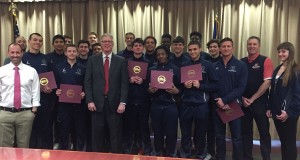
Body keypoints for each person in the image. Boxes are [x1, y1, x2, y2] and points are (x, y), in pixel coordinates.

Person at [85, 33, 129, 153]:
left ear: (113, 43)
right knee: (97, 136)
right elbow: (87, 82)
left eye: (109, 41)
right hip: (96, 104)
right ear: (101, 43)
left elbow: (124, 84)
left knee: (116, 135)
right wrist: (89, 100)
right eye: (104, 41)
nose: (107, 43)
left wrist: (123, 102)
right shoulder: (92, 60)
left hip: (115, 105)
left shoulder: (121, 61)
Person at [179, 41, 219, 159]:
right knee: (185, 132)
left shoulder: (208, 65)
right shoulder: (184, 64)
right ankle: (185, 153)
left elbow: (216, 86)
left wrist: (200, 86)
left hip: (201, 104)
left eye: (195, 49)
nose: (192, 52)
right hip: (186, 103)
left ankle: (200, 154)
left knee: (201, 132)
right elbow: (179, 85)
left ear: (200, 49)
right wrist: (184, 85)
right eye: (190, 50)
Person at [212, 37, 248, 160]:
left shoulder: (241, 65)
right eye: (223, 46)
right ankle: (220, 157)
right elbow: (212, 86)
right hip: (218, 105)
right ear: (220, 49)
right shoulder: (214, 66)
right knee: (219, 136)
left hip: (234, 105)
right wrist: (219, 101)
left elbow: (241, 88)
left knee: (237, 137)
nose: (226, 48)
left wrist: (225, 100)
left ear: (232, 48)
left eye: (228, 46)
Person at [0, 43, 40, 148]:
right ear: (8, 53)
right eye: (12, 52)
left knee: (24, 146)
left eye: (18, 52)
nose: (15, 55)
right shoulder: (1, 71)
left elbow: (35, 90)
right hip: (5, 113)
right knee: (5, 147)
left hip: (25, 113)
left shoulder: (31, 71)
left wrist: (34, 109)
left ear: (22, 53)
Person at [240, 36, 273, 160]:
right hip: (244, 103)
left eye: (254, 44)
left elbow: (267, 83)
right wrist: (243, 98)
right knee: (245, 133)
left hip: (261, 103)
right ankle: (247, 157)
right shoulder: (241, 62)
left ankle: (266, 158)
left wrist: (252, 99)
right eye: (249, 44)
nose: (252, 46)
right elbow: (237, 84)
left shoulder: (266, 60)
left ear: (259, 46)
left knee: (264, 133)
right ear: (247, 46)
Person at [266, 42, 300, 160]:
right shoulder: (278, 69)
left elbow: (297, 95)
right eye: (279, 52)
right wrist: (269, 107)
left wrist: (289, 113)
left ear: (290, 53)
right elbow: (273, 90)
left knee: (289, 143)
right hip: (277, 112)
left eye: (283, 51)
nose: (280, 54)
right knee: (283, 142)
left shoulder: (295, 70)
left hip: (288, 114)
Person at [147, 45, 180, 157]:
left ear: (167, 54)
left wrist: (176, 91)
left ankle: (171, 153)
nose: (160, 56)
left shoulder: (175, 69)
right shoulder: (152, 69)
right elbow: (146, 89)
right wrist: (150, 90)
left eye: (163, 54)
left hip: (171, 105)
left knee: (171, 132)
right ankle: (157, 152)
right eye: (158, 54)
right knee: (157, 131)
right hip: (156, 105)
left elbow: (182, 88)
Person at [22, 33, 53, 149]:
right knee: (29, 130)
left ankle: (45, 154)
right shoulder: (23, 58)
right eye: (35, 40)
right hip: (27, 101)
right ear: (29, 41)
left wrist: (50, 88)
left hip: (44, 100)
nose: (37, 42)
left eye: (40, 41)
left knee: (44, 129)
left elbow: (51, 79)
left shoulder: (46, 58)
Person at [123, 38, 152, 155]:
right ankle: (128, 149)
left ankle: (147, 149)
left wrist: (143, 82)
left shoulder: (149, 63)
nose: (138, 47)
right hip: (130, 99)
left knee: (144, 126)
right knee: (129, 126)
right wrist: (129, 80)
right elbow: (121, 80)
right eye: (136, 45)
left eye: (140, 45)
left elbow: (152, 82)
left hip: (144, 99)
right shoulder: (126, 62)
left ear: (143, 47)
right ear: (132, 47)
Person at [54, 44, 86, 151]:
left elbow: (86, 85)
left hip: (78, 107)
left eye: (74, 51)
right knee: (64, 132)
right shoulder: (58, 67)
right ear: (65, 53)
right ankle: (64, 155)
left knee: (79, 133)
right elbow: (55, 85)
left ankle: (80, 154)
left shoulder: (83, 68)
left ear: (77, 53)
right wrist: (56, 91)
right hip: (63, 106)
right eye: (69, 51)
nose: (72, 53)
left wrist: (84, 93)